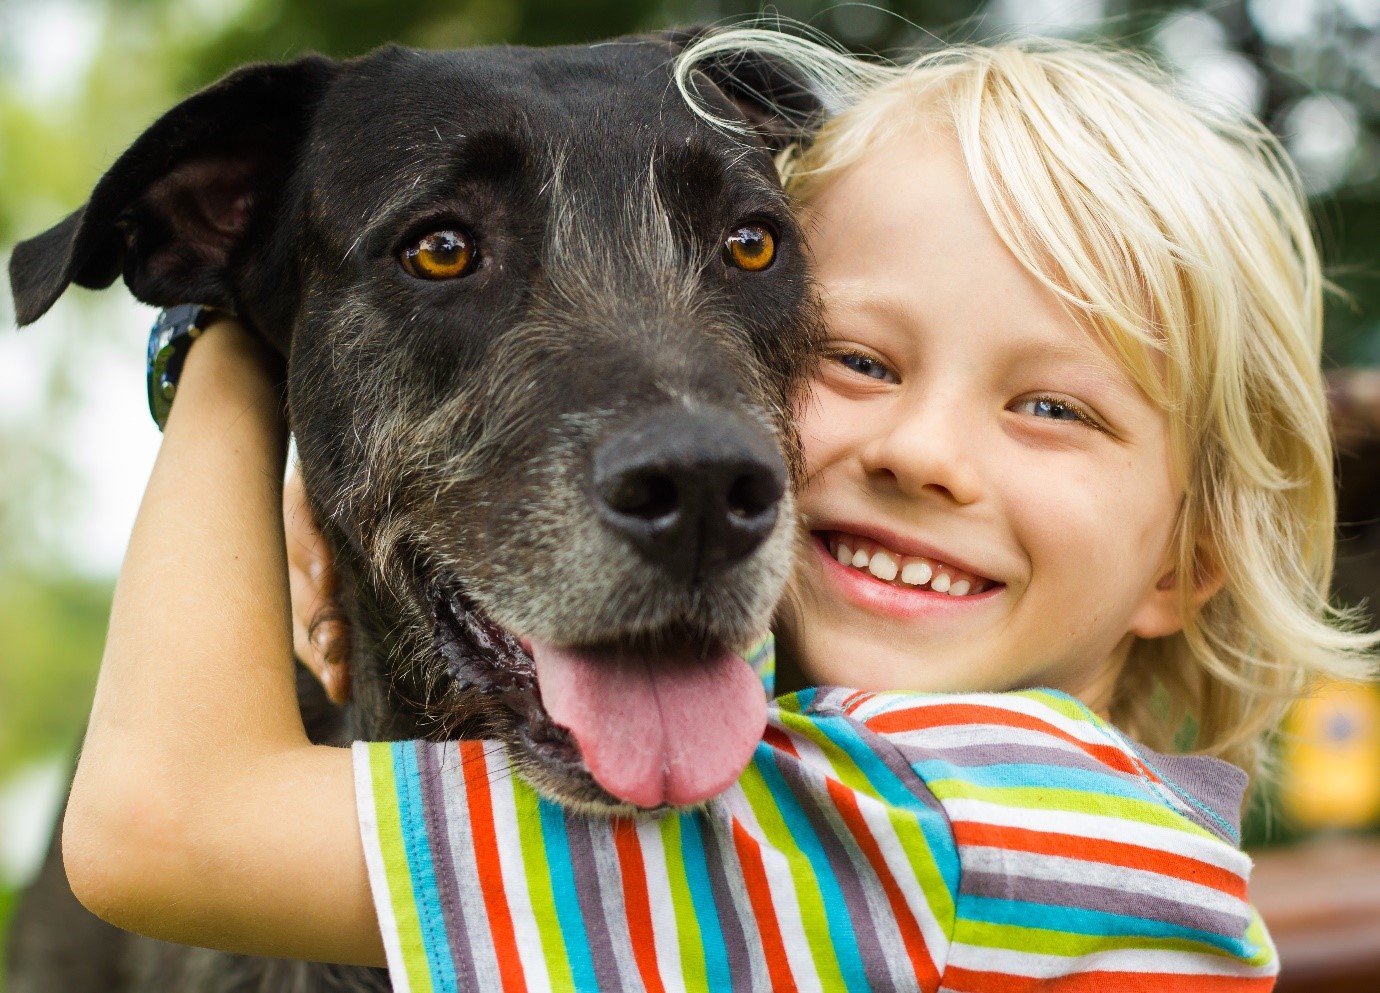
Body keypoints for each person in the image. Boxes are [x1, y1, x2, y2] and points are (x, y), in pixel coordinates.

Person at [60, 30, 1375, 992]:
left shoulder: (960, 829)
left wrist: (225, 345)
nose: (924, 452)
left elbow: (162, 825)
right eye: (861, 361)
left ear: (1184, 561)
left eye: (746, 252)